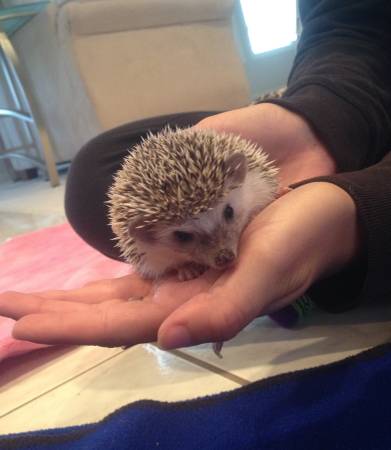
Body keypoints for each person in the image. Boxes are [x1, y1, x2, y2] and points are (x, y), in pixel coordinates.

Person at [0, 0, 390, 350]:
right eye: (185, 237)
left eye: (228, 215)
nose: (221, 252)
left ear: (239, 176)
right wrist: (316, 121)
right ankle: (326, 231)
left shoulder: (241, 182)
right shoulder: (163, 226)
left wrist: (347, 218)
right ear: (147, 235)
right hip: (367, 104)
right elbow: (349, 30)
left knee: (307, 225)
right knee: (90, 176)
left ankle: (338, 235)